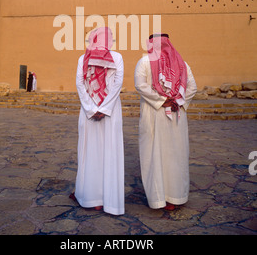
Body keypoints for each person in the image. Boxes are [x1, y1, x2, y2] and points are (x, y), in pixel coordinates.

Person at [134, 33, 197, 211]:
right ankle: (175, 197)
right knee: (175, 155)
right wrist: (177, 100)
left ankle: (159, 198)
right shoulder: (183, 64)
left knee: (155, 155)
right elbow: (192, 87)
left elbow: (140, 85)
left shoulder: (144, 62)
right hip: (176, 114)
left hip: (155, 115)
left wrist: (161, 100)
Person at [70, 27, 125, 216]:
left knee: (94, 152)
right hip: (105, 111)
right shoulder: (116, 57)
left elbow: (80, 84)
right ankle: (98, 197)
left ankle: (92, 197)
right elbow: (116, 84)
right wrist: (102, 108)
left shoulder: (84, 58)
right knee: (98, 151)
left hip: (92, 110)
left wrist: (93, 108)